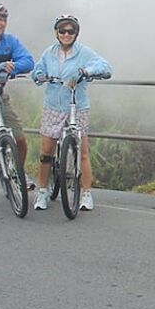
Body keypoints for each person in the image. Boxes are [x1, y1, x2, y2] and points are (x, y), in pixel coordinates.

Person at [32, 14, 112, 212]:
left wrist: (86, 71)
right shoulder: (49, 53)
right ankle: (42, 190)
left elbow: (106, 67)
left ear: (76, 33)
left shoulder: (84, 52)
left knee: (82, 152)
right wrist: (40, 76)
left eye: (71, 31)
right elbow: (36, 71)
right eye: (62, 30)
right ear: (56, 33)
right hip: (53, 105)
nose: (66, 34)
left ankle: (86, 193)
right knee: (46, 152)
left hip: (77, 105)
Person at [0, 2, 35, 187]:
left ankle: (17, 171)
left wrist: (11, 68)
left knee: (18, 137)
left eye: (2, 19)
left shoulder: (9, 41)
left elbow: (28, 61)